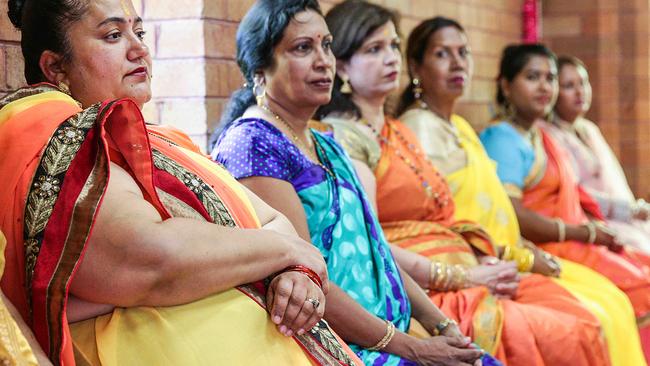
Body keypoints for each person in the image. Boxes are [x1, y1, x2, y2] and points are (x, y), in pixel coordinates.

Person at [2, 0, 363, 364]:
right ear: (55, 66)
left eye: (139, 32)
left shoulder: (165, 140)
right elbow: (151, 259)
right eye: (113, 35)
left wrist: (298, 273)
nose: (139, 48)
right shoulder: (50, 135)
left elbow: (271, 222)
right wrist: (288, 254)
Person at [320, 1, 608, 365]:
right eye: (375, 49)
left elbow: (448, 215)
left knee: (582, 314)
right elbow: (371, 244)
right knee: (564, 330)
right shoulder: (345, 138)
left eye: (393, 46)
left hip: (465, 263)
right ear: (341, 65)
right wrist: (464, 276)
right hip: (425, 285)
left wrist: (490, 255)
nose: (391, 57)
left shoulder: (397, 131)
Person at [212, 1, 488, 365]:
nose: (323, 60)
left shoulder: (326, 144)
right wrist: (412, 348)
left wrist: (440, 325)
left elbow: (378, 251)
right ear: (260, 69)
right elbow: (305, 275)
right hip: (326, 344)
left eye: (326, 45)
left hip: (386, 334)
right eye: (302, 48)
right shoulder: (253, 145)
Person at [395, 17, 647, 366]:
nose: (458, 63)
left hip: (504, 254)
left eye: (464, 52)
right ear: (415, 66)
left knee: (610, 303)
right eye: (442, 54)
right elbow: (439, 218)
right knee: (593, 315)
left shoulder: (460, 127)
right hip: (467, 262)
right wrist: (524, 256)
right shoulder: (418, 129)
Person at [480, 43, 650, 361]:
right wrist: (584, 234)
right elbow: (514, 214)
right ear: (506, 85)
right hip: (545, 245)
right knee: (638, 288)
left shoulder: (540, 136)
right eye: (533, 77)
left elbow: (577, 195)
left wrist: (595, 228)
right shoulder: (502, 139)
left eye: (550, 77)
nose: (546, 86)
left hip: (575, 237)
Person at [543, 55, 650, 254]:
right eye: (569, 86)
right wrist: (629, 210)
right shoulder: (548, 134)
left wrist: (635, 210)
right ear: (555, 92)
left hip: (630, 219)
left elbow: (615, 182)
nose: (579, 92)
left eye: (583, 83)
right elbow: (574, 192)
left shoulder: (589, 129)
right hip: (596, 225)